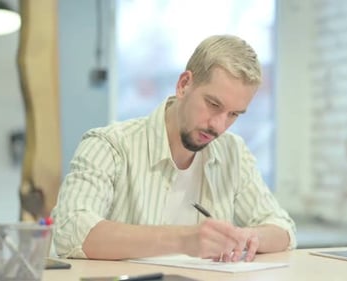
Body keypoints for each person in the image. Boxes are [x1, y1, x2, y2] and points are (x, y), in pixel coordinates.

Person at [51, 34, 297, 261]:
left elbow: (283, 228)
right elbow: (72, 230)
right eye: (212, 104)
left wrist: (247, 237)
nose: (219, 126)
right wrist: (185, 240)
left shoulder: (233, 152)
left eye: (233, 114)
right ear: (183, 84)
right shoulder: (109, 146)